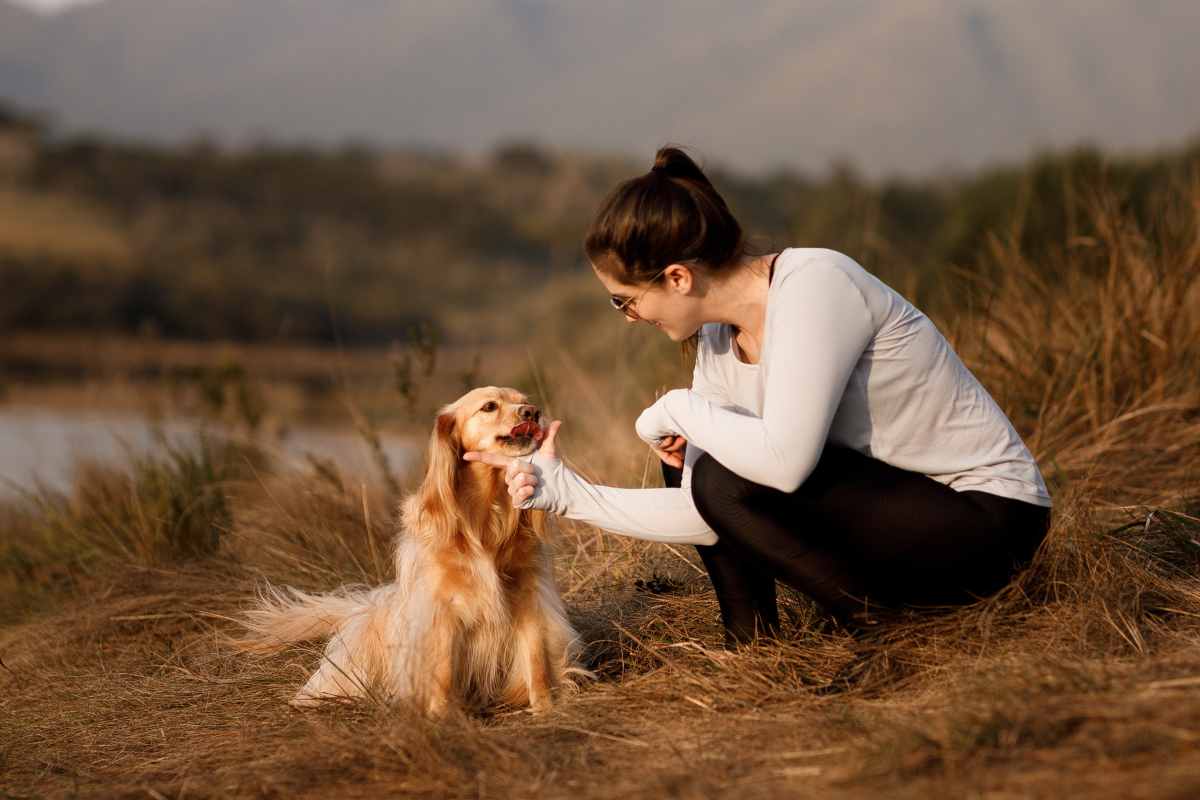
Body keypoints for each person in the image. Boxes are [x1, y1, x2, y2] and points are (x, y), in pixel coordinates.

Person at [464, 146, 1052, 647]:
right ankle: (752, 644)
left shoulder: (817, 284)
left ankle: (883, 628)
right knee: (696, 466)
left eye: (625, 299)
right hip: (898, 520)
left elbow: (785, 465)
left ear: (677, 277)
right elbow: (712, 510)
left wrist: (680, 408)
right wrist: (570, 495)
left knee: (715, 458)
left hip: (985, 523)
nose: (628, 317)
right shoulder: (717, 341)